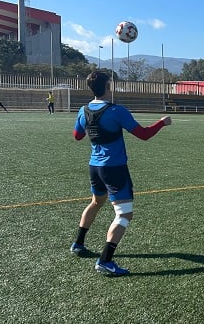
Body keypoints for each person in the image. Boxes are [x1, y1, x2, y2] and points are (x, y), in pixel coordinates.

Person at [70, 71, 172, 276]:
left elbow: (77, 136)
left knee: (96, 202)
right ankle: (105, 260)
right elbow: (143, 135)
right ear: (108, 86)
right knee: (124, 214)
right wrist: (162, 122)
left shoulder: (83, 110)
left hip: (95, 167)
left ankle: (78, 243)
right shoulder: (117, 111)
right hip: (114, 168)